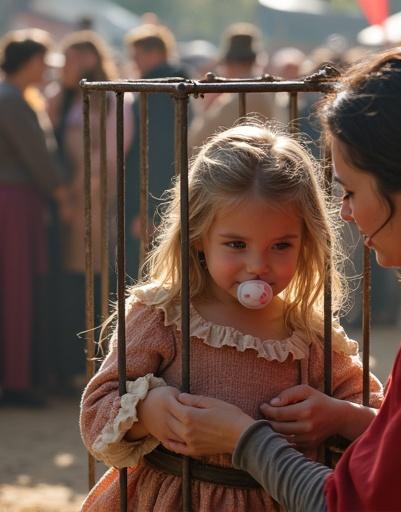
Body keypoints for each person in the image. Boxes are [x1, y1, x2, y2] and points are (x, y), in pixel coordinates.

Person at [163, 47, 401, 511]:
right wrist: (349, 418)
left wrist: (244, 438)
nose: (345, 213)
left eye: (350, 191)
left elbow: (353, 504)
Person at [79, 123, 382, 511]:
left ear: (307, 242)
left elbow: (379, 419)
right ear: (199, 238)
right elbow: (96, 411)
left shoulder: (311, 335)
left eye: (281, 246)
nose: (258, 266)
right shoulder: (163, 316)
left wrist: (337, 415)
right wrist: (148, 411)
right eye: (236, 244)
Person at [45, 30, 134, 394]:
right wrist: (60, 194)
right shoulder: (57, 100)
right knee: (61, 283)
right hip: (59, 204)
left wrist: (80, 194)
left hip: (98, 206)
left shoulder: (114, 101)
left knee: (94, 281)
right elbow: (45, 147)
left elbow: (112, 157)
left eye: (71, 59)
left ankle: (94, 367)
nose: (64, 67)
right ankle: (62, 366)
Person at [0, 28, 66, 406]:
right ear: (28, 62)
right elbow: (37, 159)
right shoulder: (11, 100)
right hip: (14, 203)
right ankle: (17, 380)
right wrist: (61, 195)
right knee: (17, 290)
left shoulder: (15, 97)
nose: (48, 67)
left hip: (16, 201)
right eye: (43, 60)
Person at [123, 23, 188, 280]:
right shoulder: (174, 83)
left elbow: (157, 150)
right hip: (163, 190)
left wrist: (148, 209)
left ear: (153, 53)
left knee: (149, 268)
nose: (135, 63)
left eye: (137, 56)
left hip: (153, 192)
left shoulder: (160, 89)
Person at [188, 22, 275, 152]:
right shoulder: (265, 92)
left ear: (229, 62)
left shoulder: (232, 99)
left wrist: (207, 108)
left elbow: (195, 140)